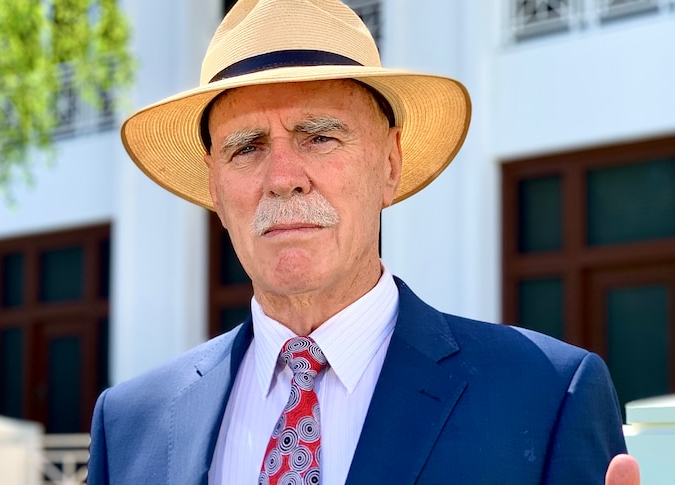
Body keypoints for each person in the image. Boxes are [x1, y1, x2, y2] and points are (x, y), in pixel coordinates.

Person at [88, 0, 640, 483]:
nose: (284, 176)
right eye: (246, 147)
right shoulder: (130, 425)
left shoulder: (544, 396)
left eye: (320, 136)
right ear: (215, 186)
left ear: (391, 164)